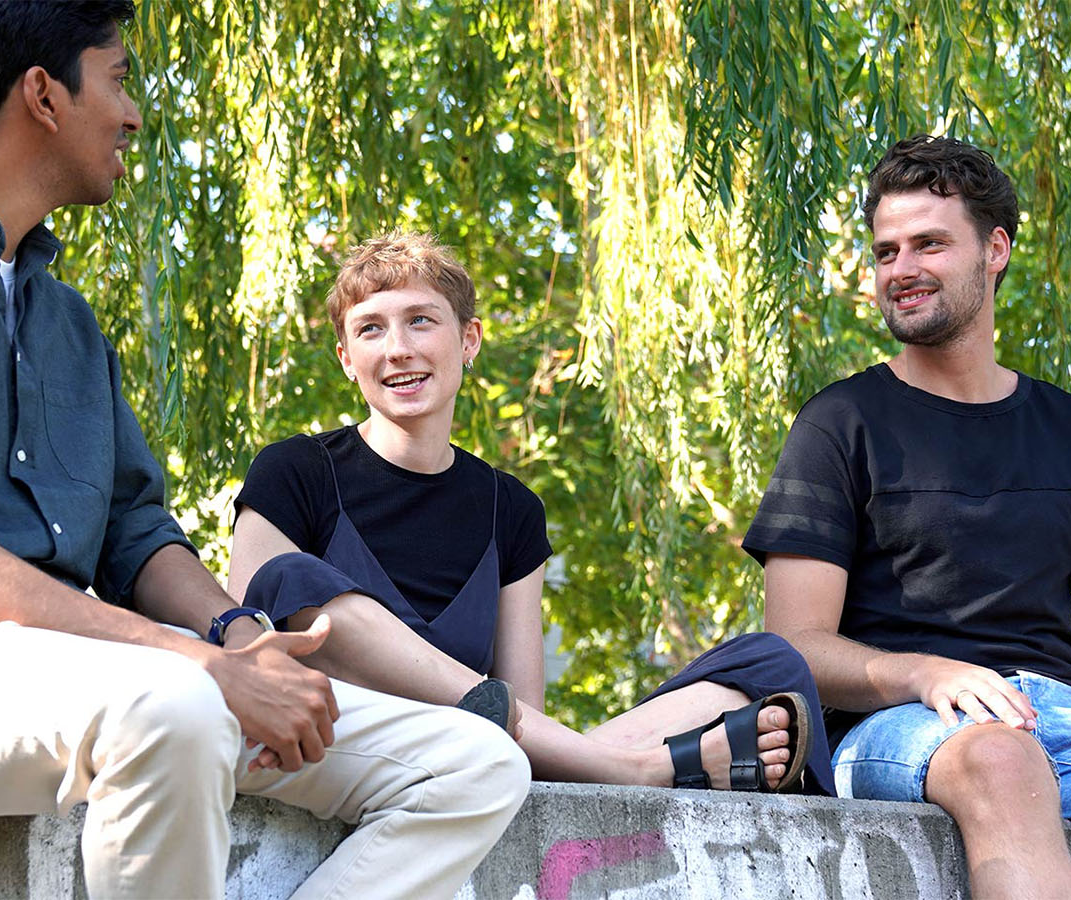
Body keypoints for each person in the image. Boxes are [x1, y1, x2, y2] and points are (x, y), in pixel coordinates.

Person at [0, 3, 529, 897]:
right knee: (175, 706)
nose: (134, 115)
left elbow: (136, 534)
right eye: (118, 80)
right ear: (44, 95)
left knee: (473, 763)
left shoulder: (66, 321)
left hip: (73, 669)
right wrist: (196, 663)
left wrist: (241, 639)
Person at [746, 134, 1071, 899]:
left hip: (1062, 718)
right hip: (893, 724)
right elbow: (793, 646)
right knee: (1001, 756)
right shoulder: (838, 424)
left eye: (929, 244)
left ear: (994, 249)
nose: (901, 269)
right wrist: (926, 672)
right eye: (886, 251)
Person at [228, 231, 832, 795]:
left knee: (770, 661)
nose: (398, 349)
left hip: (476, 758)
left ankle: (611, 764)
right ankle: (638, 768)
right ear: (345, 358)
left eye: (420, 320)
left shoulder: (511, 509)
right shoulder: (295, 471)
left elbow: (524, 717)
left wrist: (511, 737)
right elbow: (244, 651)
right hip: (338, 745)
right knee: (284, 578)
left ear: (469, 340)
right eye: (370, 329)